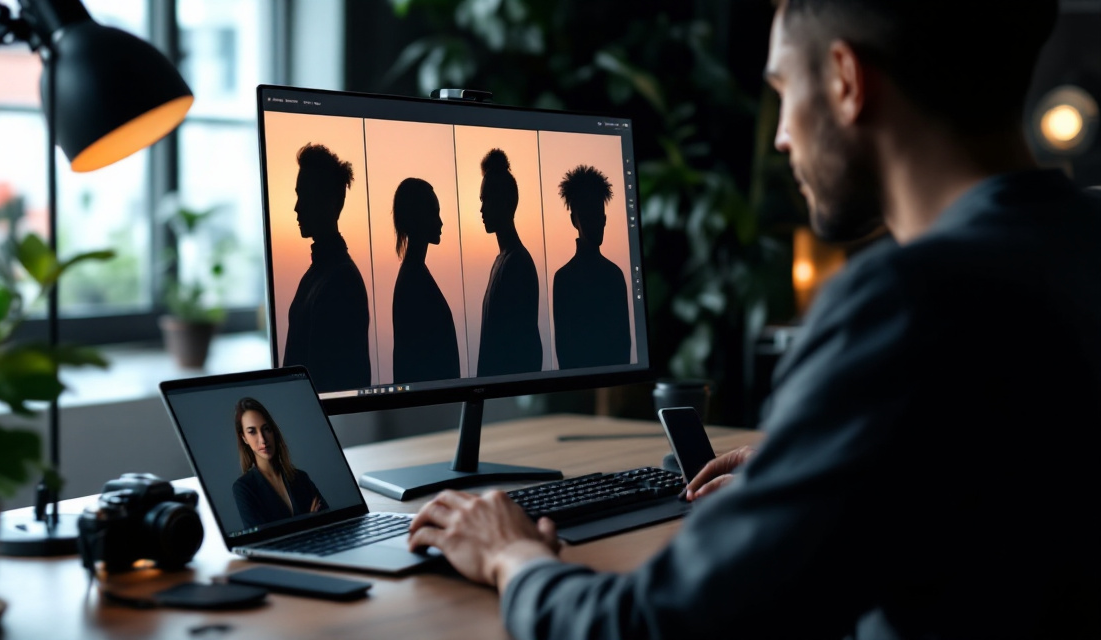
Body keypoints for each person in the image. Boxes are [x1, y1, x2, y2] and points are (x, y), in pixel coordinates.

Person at [408, 1, 1101, 638]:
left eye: (780, 93)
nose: (781, 139)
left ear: (844, 80)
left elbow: (653, 626)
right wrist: (821, 457)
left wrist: (513, 558)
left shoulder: (905, 301)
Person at [283, 143, 371, 393]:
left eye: (305, 196)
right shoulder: (321, 274)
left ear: (332, 203)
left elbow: (336, 383)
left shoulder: (340, 281)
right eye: (298, 195)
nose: (297, 207)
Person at [551, 165, 631, 369]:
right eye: (587, 214)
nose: (596, 222)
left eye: (599, 214)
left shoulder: (613, 275)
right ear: (573, 220)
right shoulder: (565, 279)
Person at [476, 148, 544, 377]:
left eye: (487, 200)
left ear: (507, 202)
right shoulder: (502, 262)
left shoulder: (518, 264)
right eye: (481, 200)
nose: (481, 209)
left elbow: (529, 350)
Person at [391, 177, 461, 384]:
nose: (440, 222)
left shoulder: (413, 275)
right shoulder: (414, 281)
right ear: (417, 217)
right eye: (433, 212)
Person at [231, 397, 328, 529]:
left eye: (266, 429)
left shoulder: (301, 478)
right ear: (244, 438)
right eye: (252, 432)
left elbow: (328, 522)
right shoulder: (244, 488)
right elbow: (262, 541)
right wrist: (308, 520)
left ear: (273, 431)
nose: (262, 439)